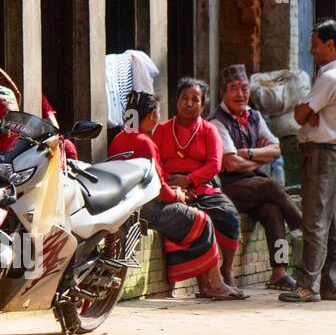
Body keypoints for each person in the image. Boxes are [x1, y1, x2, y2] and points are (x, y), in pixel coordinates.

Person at [109, 92, 235, 300]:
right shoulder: (145, 142)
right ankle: (216, 285)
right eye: (157, 113)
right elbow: (160, 190)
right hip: (149, 209)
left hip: (129, 207)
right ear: (150, 115)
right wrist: (178, 195)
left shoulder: (118, 139)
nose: (158, 118)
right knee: (203, 221)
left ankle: (208, 285)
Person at [208, 65, 303, 293]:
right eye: (233, 89)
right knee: (271, 186)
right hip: (228, 186)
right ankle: (301, 226)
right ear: (223, 93)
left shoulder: (254, 116)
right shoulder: (217, 122)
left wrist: (249, 154)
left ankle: (279, 271)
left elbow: (277, 149)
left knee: (273, 211)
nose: (240, 94)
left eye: (244, 88)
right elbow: (229, 163)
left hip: (253, 184)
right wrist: (260, 159)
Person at [280, 19, 336, 306]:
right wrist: (309, 112)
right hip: (330, 152)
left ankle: (306, 285)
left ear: (329, 44)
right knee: (329, 220)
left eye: (315, 45)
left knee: (314, 221)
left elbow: (300, 115)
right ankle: (332, 285)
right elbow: (308, 113)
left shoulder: (330, 77)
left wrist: (305, 111)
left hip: (321, 153)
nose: (312, 51)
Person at [153, 78, 248, 299]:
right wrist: (170, 181)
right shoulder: (162, 130)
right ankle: (205, 283)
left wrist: (190, 180)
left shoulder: (209, 130)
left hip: (202, 186)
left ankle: (226, 271)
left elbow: (215, 164)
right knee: (196, 220)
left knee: (229, 216)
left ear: (202, 105)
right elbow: (154, 161)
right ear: (176, 102)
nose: (188, 103)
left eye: (194, 99)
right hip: (170, 186)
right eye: (184, 98)